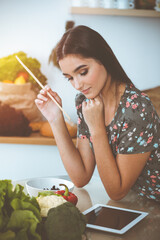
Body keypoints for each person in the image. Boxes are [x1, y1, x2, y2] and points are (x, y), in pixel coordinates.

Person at [35, 25, 160, 202]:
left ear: (104, 60)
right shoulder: (86, 102)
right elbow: (80, 177)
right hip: (135, 202)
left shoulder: (137, 108)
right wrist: (55, 118)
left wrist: (97, 128)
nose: (77, 85)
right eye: (70, 78)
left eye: (83, 72)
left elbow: (116, 192)